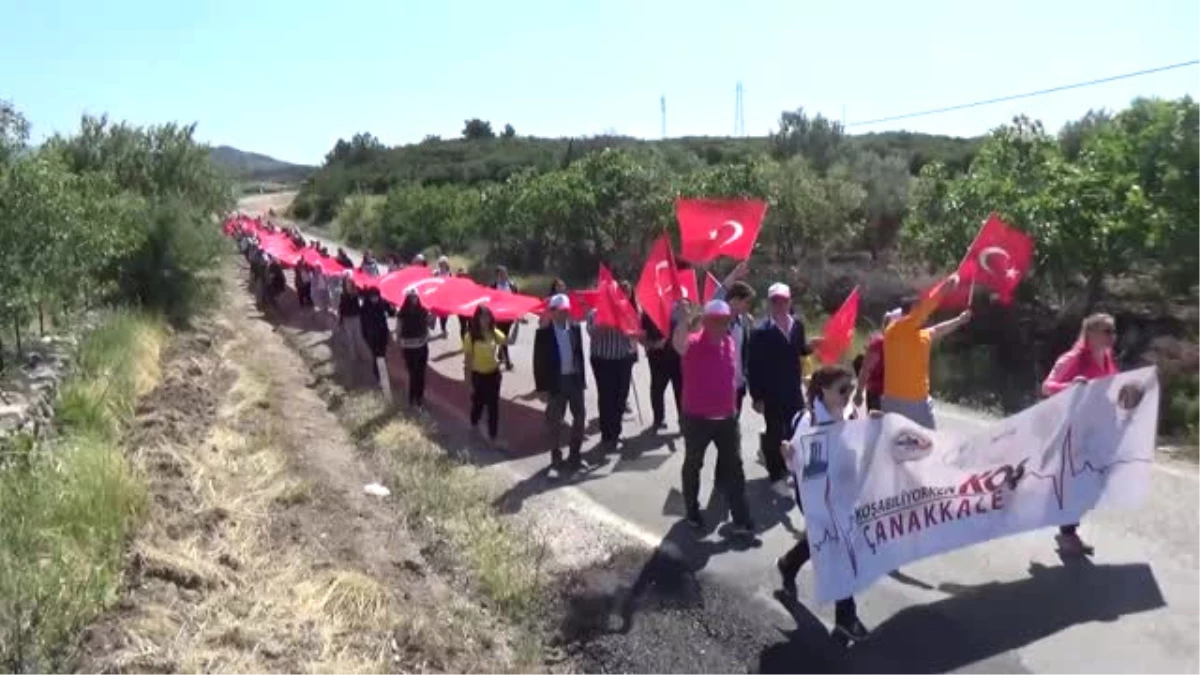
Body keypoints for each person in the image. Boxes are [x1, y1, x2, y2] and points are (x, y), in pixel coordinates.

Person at [777, 363, 871, 643]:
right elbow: (808, 470)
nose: (848, 394)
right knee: (839, 549)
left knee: (822, 540)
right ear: (824, 391)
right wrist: (790, 454)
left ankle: (789, 564)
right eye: (842, 389)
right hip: (820, 497)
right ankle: (846, 616)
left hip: (843, 493)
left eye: (851, 388)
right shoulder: (810, 422)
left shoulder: (849, 413)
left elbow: (856, 448)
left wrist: (873, 429)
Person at [673, 299, 755, 536]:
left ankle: (741, 519)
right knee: (693, 464)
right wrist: (682, 319)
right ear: (707, 321)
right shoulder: (693, 342)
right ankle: (691, 510)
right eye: (717, 321)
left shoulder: (729, 343)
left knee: (735, 467)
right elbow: (679, 344)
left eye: (726, 321)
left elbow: (734, 376)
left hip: (727, 419)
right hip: (697, 418)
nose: (722, 325)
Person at [1040, 312, 1119, 556]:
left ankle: (1061, 520)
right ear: (1091, 333)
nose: (1112, 336)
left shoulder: (1106, 358)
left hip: (1096, 430)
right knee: (1077, 482)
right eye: (1107, 331)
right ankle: (1067, 533)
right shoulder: (1073, 358)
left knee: (1093, 483)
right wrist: (1071, 385)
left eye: (1113, 331)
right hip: (1073, 430)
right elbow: (1047, 386)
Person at [747, 283, 820, 496]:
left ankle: (791, 467)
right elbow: (753, 366)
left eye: (784, 301)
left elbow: (799, 350)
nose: (780, 305)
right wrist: (756, 396)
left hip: (792, 389)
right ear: (769, 303)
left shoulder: (797, 326)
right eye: (775, 301)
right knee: (775, 433)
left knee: (795, 429)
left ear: (790, 302)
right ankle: (776, 474)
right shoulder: (760, 332)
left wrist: (810, 347)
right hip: (771, 392)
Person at [881, 276, 972, 429]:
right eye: (917, 307)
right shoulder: (895, 330)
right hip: (897, 402)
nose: (922, 313)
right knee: (898, 446)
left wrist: (959, 320)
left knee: (926, 446)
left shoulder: (920, 335)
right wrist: (944, 288)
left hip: (919, 401)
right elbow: (925, 308)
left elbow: (938, 329)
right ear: (909, 313)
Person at [533, 294, 587, 469]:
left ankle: (575, 454)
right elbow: (538, 362)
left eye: (566, 310)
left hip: (574, 379)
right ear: (552, 311)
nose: (564, 314)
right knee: (555, 420)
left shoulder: (574, 329)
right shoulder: (544, 334)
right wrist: (541, 388)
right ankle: (556, 455)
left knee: (580, 417)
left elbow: (579, 356)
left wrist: (582, 380)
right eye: (561, 311)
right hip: (556, 383)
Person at [587, 286, 639, 451]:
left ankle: (615, 434)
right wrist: (608, 321)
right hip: (602, 361)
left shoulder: (628, 311)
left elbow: (634, 335)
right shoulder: (595, 313)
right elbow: (593, 334)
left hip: (623, 360)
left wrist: (631, 331)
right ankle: (606, 435)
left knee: (620, 398)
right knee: (606, 397)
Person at [709, 262, 755, 418]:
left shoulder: (743, 322)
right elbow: (716, 300)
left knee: (733, 429)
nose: (749, 307)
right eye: (746, 302)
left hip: (738, 386)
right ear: (734, 300)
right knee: (722, 431)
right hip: (721, 386)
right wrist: (732, 276)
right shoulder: (720, 320)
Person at [463, 305, 514, 445]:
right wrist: (469, 383)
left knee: (493, 406)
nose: (485, 320)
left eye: (488, 317)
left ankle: (493, 436)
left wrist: (516, 323)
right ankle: (474, 423)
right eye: (482, 317)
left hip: (493, 375)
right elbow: (467, 362)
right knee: (478, 404)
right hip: (478, 377)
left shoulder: (494, 332)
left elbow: (509, 341)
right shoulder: (470, 337)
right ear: (477, 319)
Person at [642, 299, 686, 430]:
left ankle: (683, 421)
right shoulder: (648, 313)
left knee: (680, 390)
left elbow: (690, 330)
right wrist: (653, 345)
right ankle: (658, 419)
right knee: (657, 389)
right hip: (657, 358)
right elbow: (641, 336)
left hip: (677, 357)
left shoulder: (680, 308)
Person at [396, 290, 434, 407]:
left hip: (422, 346)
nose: (414, 300)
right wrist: (399, 345)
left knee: (421, 373)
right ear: (407, 299)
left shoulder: (423, 311)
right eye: (411, 297)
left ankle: (420, 398)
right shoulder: (402, 313)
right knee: (413, 374)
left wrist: (434, 315)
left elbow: (431, 325)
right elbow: (398, 330)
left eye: (416, 297)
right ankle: (412, 398)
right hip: (408, 348)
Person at [853, 312, 895, 413]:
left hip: (890, 394)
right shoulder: (879, 344)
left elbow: (865, 368)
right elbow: (866, 369)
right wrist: (859, 392)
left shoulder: (897, 343)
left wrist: (859, 392)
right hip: (878, 393)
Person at [359, 287, 394, 382]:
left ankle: (381, 376)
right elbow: (363, 325)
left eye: (376, 296)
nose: (375, 299)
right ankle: (380, 377)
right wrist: (366, 337)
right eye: (372, 297)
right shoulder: (364, 308)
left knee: (381, 355)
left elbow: (392, 313)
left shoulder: (382, 303)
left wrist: (391, 306)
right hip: (372, 336)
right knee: (377, 356)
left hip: (382, 334)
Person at [491, 266, 519, 370]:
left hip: (509, 316)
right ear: (497, 275)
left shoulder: (512, 286)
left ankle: (500, 353)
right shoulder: (493, 287)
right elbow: (490, 302)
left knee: (504, 336)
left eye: (504, 273)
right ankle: (507, 361)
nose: (503, 276)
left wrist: (519, 314)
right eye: (501, 274)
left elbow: (517, 300)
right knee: (504, 337)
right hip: (498, 316)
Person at [338, 276, 369, 362]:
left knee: (358, 337)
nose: (349, 284)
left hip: (356, 317)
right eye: (347, 283)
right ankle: (354, 357)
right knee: (350, 338)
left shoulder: (357, 293)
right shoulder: (343, 295)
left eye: (350, 282)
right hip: (347, 319)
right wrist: (341, 320)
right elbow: (342, 309)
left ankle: (361, 355)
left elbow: (364, 294)